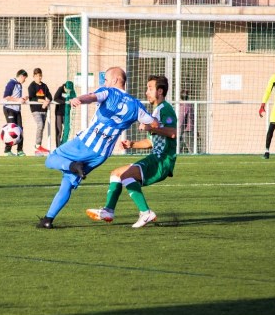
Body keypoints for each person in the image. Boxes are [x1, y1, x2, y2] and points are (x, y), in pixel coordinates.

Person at [37, 66, 155, 229]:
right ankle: (48, 219)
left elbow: (92, 97)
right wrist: (146, 126)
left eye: (106, 79)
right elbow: (153, 123)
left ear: (114, 80)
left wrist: (80, 99)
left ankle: (73, 165)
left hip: (85, 143)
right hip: (101, 153)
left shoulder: (109, 92)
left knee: (51, 159)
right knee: (68, 181)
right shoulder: (136, 106)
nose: (105, 83)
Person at [86, 75, 177, 228]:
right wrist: (132, 144)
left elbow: (172, 132)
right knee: (116, 173)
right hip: (155, 156)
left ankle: (146, 212)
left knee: (126, 175)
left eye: (150, 88)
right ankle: (108, 210)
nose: (146, 91)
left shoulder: (165, 108)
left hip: (162, 159)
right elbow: (150, 142)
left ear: (160, 91)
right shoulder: (155, 112)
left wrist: (151, 127)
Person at [2, 69, 28, 156]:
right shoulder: (11, 83)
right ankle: (7, 151)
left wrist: (23, 99)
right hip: (9, 109)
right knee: (11, 130)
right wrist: (18, 100)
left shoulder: (19, 85)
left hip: (17, 110)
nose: (25, 80)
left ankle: (20, 150)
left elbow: (17, 97)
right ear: (21, 76)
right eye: (25, 78)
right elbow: (6, 97)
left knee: (20, 129)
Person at [28, 68, 53, 155]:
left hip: (44, 110)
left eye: (40, 76)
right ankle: (37, 145)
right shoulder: (31, 86)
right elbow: (32, 97)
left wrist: (47, 102)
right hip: (35, 110)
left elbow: (50, 96)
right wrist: (43, 101)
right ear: (34, 76)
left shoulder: (44, 86)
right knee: (40, 124)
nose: (39, 77)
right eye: (37, 76)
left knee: (42, 128)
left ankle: (39, 147)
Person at [53, 81, 74, 147]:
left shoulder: (71, 91)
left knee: (67, 129)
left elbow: (74, 98)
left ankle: (63, 144)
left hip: (66, 113)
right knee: (59, 131)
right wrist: (65, 102)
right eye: (67, 89)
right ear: (64, 87)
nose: (68, 91)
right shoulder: (60, 89)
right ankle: (58, 146)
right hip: (59, 113)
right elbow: (55, 98)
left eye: (69, 90)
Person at [178, 89, 194, 153]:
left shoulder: (184, 105)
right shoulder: (189, 104)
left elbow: (181, 119)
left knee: (191, 149)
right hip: (188, 129)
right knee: (179, 147)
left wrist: (179, 130)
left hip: (186, 130)